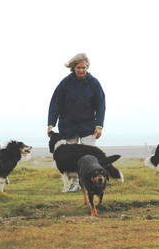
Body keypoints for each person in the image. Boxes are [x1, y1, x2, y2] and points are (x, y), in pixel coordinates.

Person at [47, 53, 106, 191]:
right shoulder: (65, 83)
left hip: (88, 126)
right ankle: (73, 184)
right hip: (68, 126)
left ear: (87, 67)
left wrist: (99, 126)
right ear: (73, 68)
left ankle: (90, 182)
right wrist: (51, 123)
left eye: (84, 67)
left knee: (90, 157)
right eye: (79, 67)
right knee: (69, 158)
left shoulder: (94, 83)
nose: (81, 70)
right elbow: (55, 103)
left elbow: (101, 105)